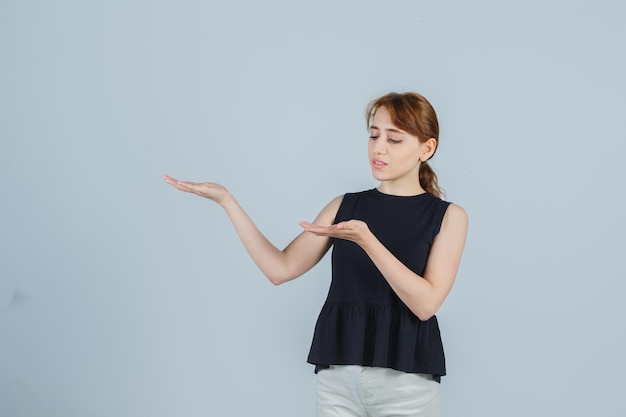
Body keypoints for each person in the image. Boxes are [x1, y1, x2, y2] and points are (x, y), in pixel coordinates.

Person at [164, 92, 468, 417]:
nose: (378, 148)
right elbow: (279, 268)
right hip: (338, 377)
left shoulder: (449, 216)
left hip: (408, 382)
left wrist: (367, 241)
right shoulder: (344, 205)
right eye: (374, 135)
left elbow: (425, 305)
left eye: (394, 139)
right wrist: (227, 201)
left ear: (427, 148)